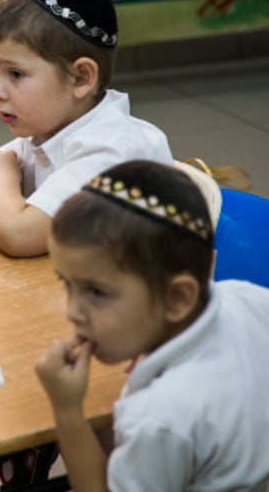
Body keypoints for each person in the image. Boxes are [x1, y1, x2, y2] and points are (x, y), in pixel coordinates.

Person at [36, 159, 269, 492]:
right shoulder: (247, 298)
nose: (72, 312)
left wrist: (68, 411)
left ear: (177, 298)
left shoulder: (159, 419)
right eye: (66, 283)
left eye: (97, 293)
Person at [0, 0, 173, 259]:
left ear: (80, 79)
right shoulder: (49, 127)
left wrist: (3, 183)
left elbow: (18, 235)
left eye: (15, 74)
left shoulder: (111, 151)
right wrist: (12, 206)